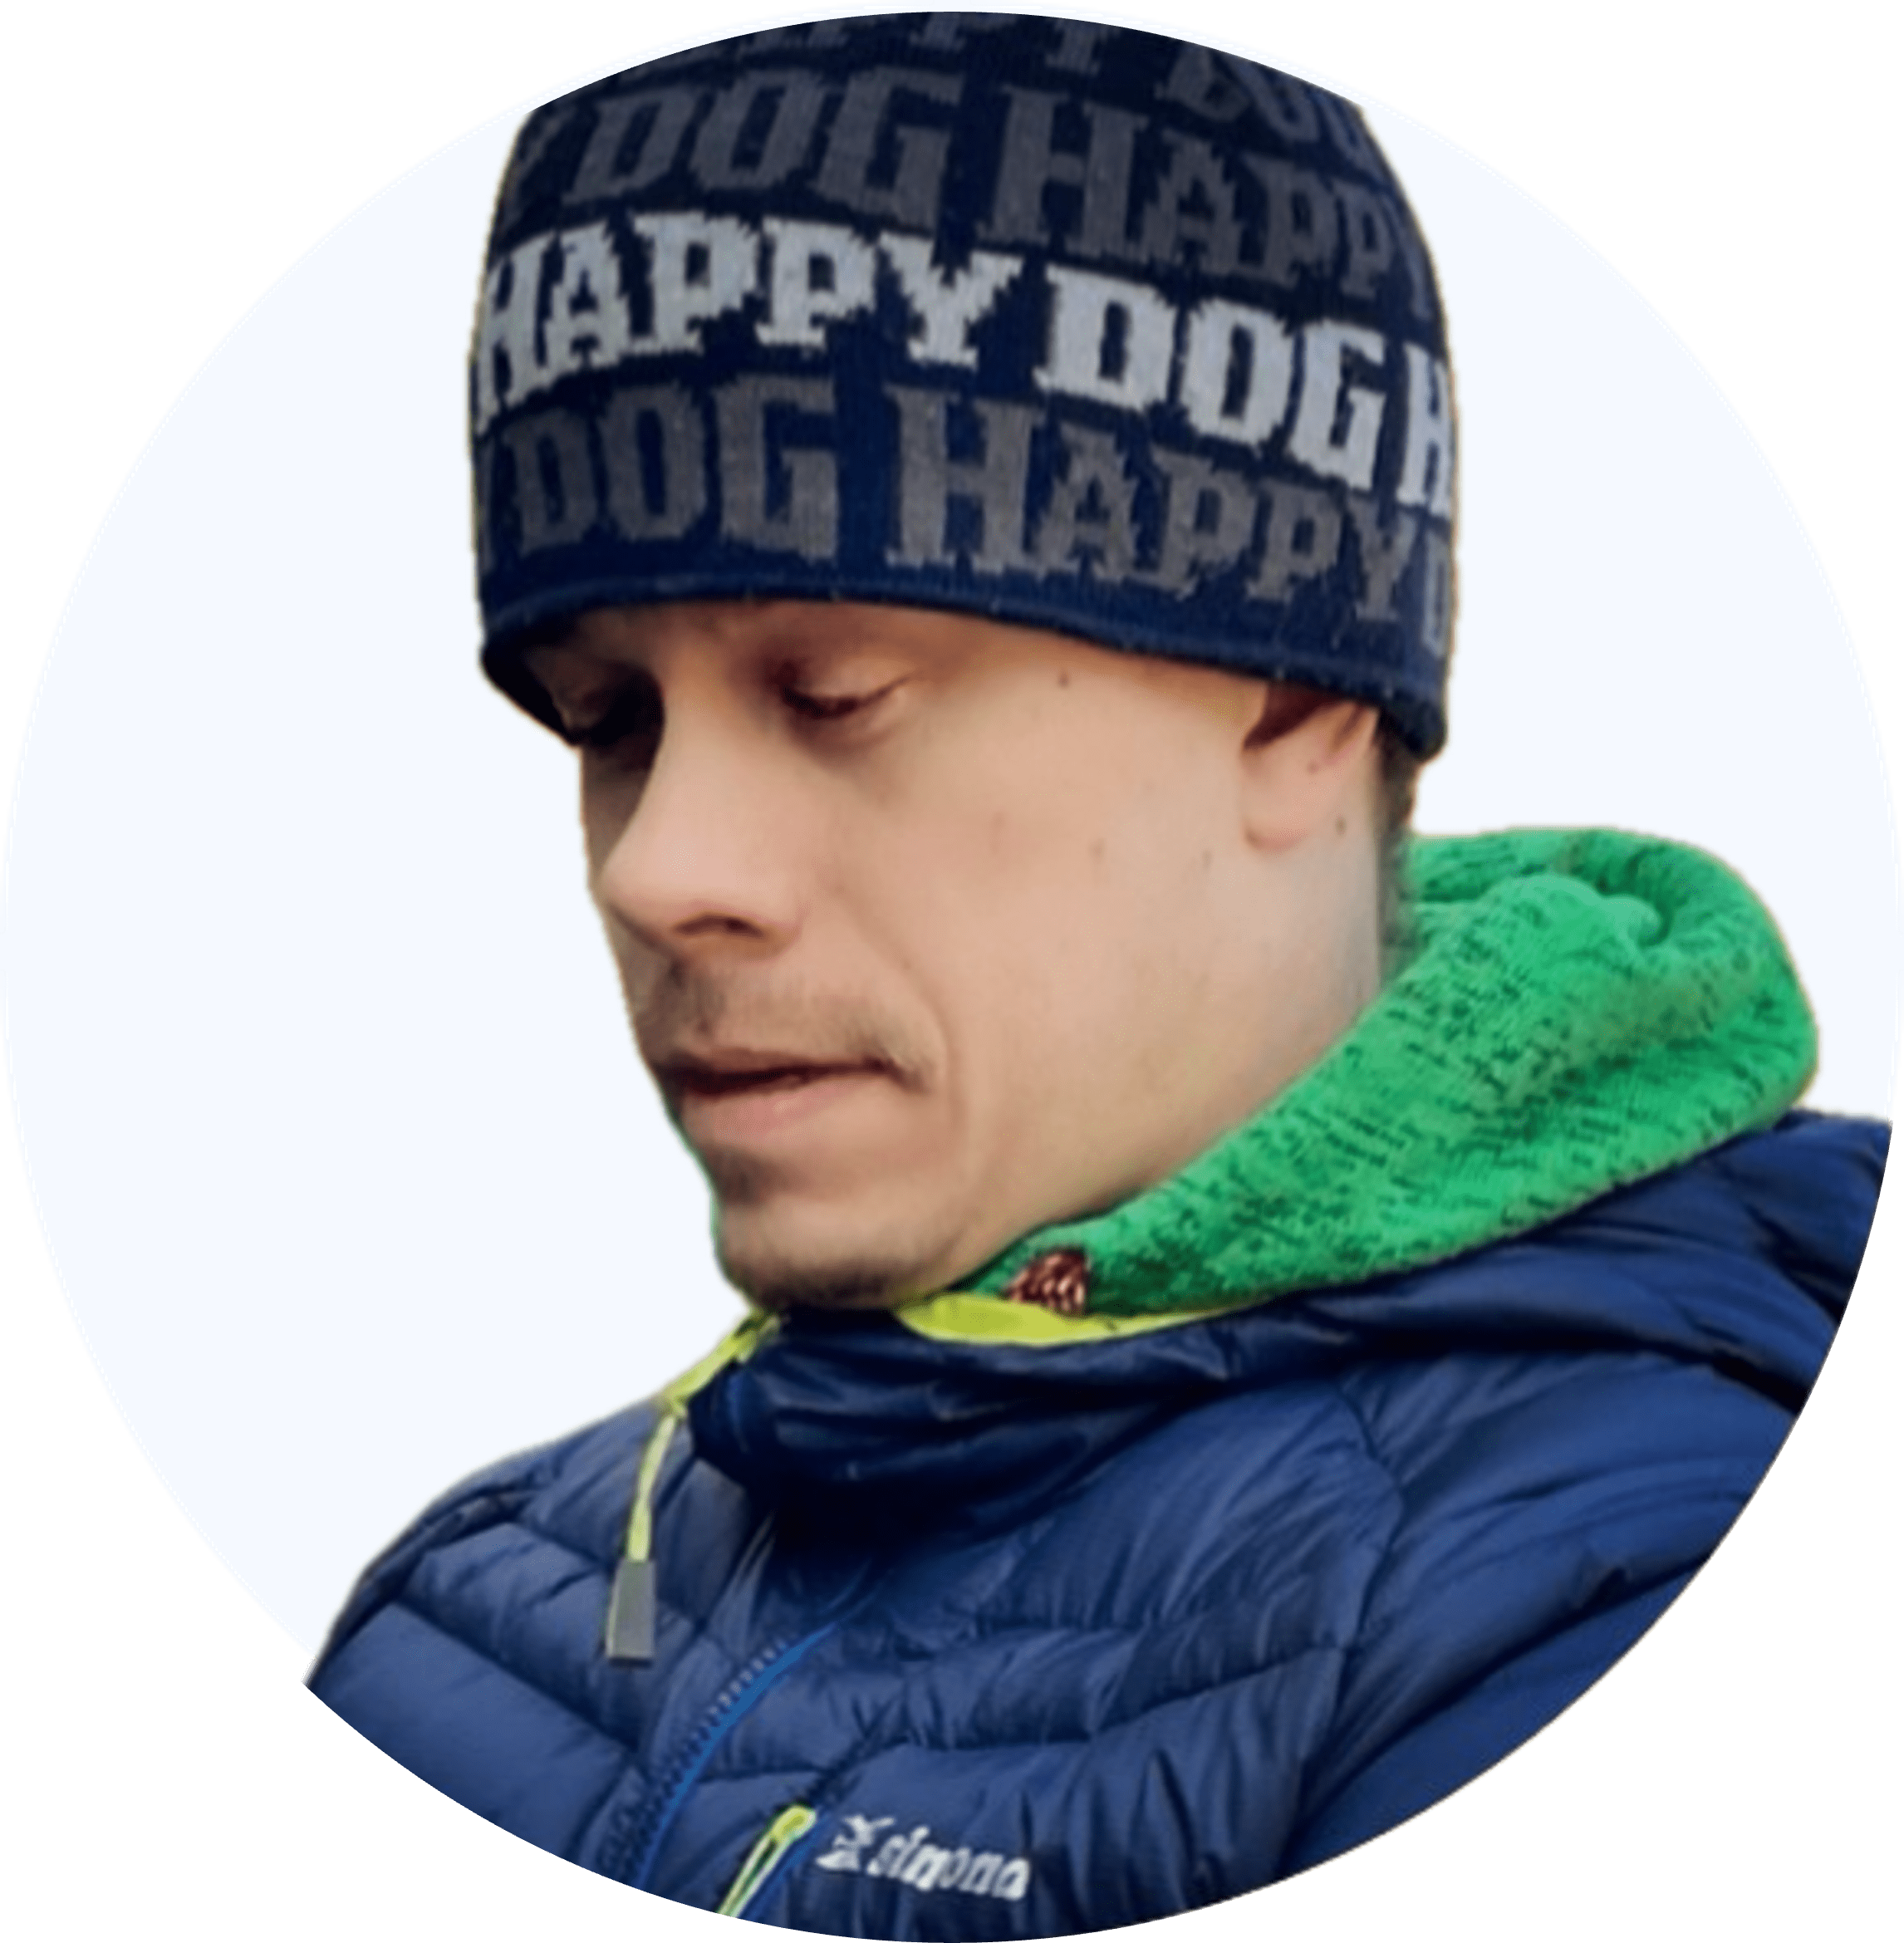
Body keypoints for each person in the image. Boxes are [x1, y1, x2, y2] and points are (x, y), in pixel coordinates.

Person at [307, 15, 1886, 1935]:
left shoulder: (1621, 1597)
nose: (658, 868)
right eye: (607, 720)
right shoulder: (476, 1609)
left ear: (1290, 696)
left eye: (835, 693)